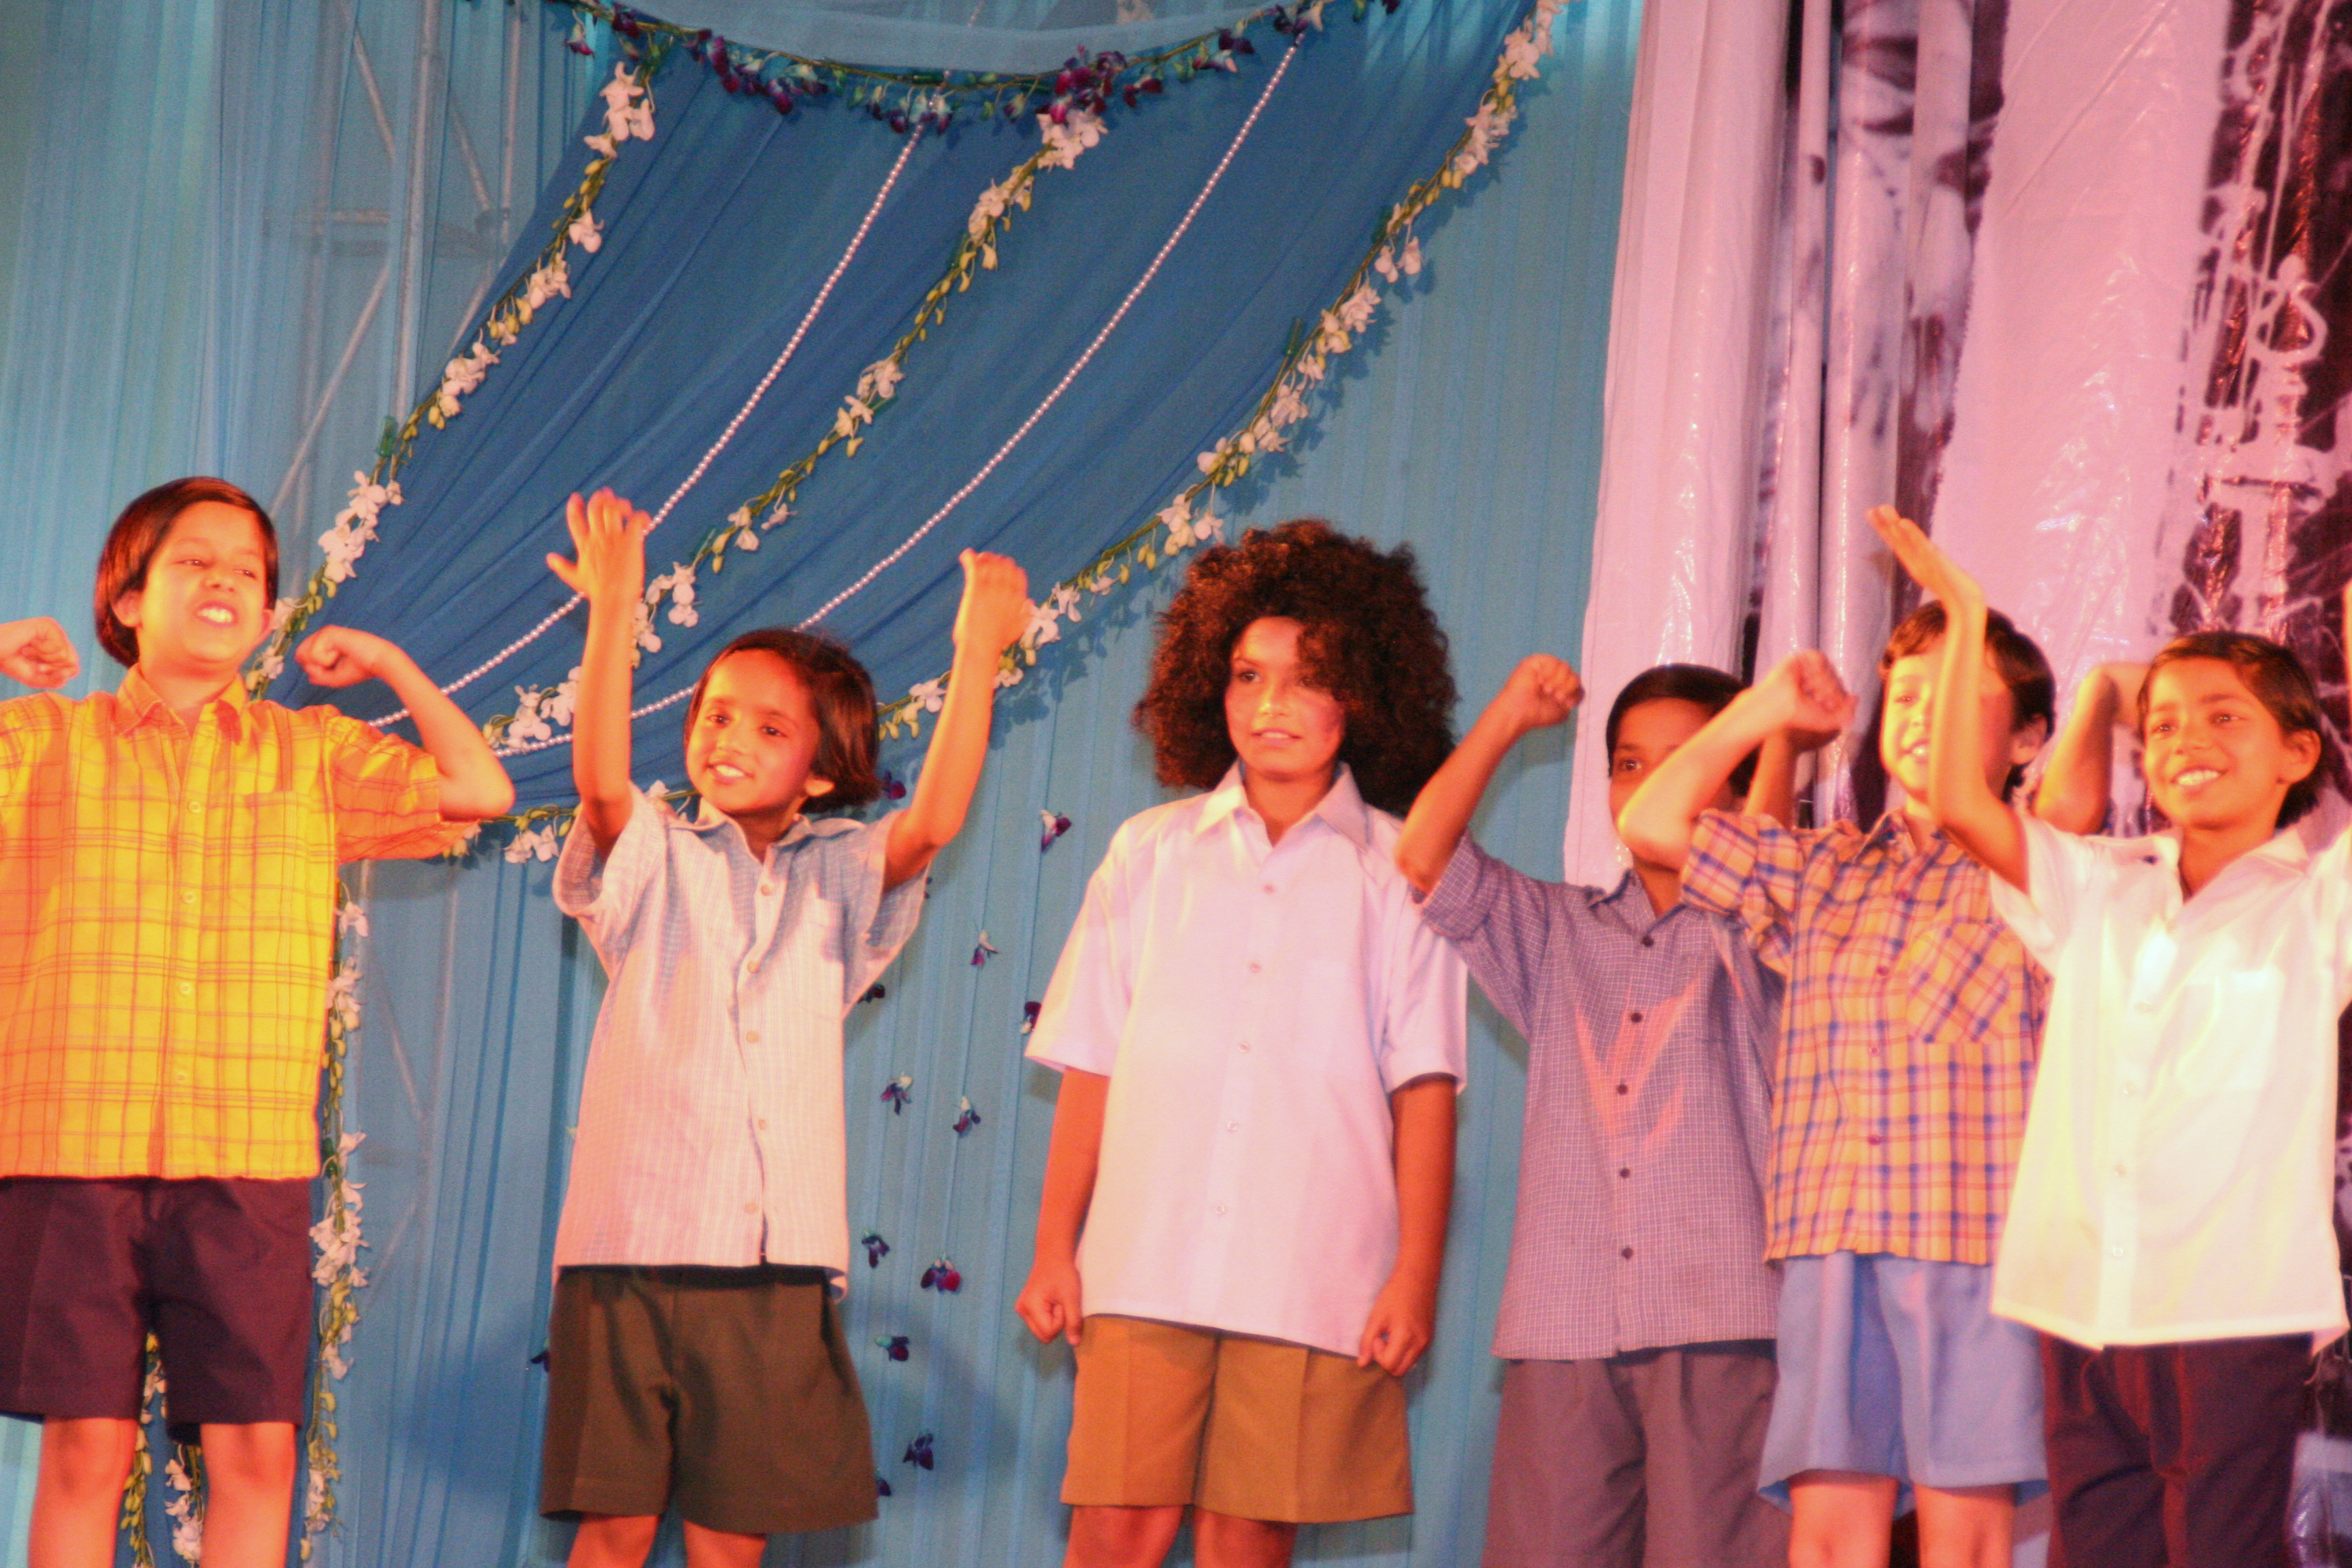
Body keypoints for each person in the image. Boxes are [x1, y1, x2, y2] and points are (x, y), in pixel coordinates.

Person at [0, 476, 514, 1568]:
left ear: (269, 613)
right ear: (128, 598)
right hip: (68, 1149)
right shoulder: (43, 740)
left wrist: (389, 665)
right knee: (86, 1451)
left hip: (246, 1159)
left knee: (258, 1455)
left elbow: (480, 790)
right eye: (194, 560)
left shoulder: (312, 751)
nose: (224, 580)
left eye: (248, 571)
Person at [537, 490, 1030, 1568]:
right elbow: (601, 786)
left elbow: (932, 823)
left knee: (732, 1538)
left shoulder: (840, 874)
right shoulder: (658, 857)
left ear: (820, 771)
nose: (729, 739)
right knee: (615, 1527)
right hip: (630, 1248)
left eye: (769, 728)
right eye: (716, 715)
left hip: (773, 1261)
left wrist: (978, 653)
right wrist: (614, 611)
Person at [1874, 503, 2345, 1568]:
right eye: (2165, 724)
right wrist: (1963, 612)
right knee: (2097, 1548)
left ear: (2297, 752)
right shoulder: (2101, 885)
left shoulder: (2317, 907)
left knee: (2218, 1549)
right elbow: (1963, 801)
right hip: (2079, 1297)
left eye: (2224, 718)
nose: (2187, 741)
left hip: (2230, 1303)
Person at [1014, 519, 1467, 1568]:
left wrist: (1414, 1278)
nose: (1270, 705)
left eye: (1308, 680)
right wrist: (1054, 1248)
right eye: (1248, 676)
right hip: (1142, 1262)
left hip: (1313, 1272)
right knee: (1116, 1530)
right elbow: (1092, 1065)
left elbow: (1425, 1093)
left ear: (1364, 695)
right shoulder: (1148, 855)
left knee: (1249, 1539)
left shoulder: (1403, 872)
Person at [1618, 545, 2066, 1568]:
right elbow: (1651, 823)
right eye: (1904, 696)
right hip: (1831, 1234)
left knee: (1967, 1535)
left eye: (1958, 696)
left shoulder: (2048, 870)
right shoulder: (1825, 868)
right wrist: (1759, 712)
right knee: (1828, 1532)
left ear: (2027, 736)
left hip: (1974, 1237)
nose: (1922, 717)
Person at [1394, 655, 1794, 1567]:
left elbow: (1764, 876)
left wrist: (1776, 742)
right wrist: (1506, 715)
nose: (1648, 784)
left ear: (1734, 779)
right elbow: (1423, 855)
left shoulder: (1769, 921)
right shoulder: (1560, 929)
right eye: (1627, 763)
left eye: (1684, 761)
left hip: (1722, 1316)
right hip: (1564, 1316)